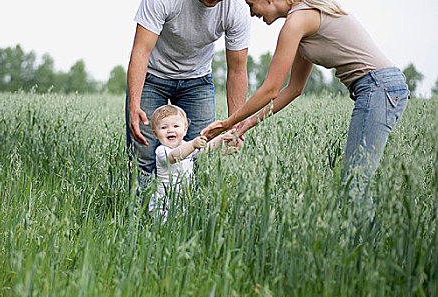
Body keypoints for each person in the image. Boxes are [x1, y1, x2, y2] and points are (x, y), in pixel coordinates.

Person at [202, 0, 410, 203]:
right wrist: (246, 124)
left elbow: (270, 89)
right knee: (354, 182)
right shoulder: (302, 22)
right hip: (378, 88)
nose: (251, 13)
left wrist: (227, 123)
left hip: (378, 88)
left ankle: (365, 239)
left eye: (250, 5)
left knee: (355, 183)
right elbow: (293, 89)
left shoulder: (297, 20)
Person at [126, 0, 251, 190]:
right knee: (144, 157)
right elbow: (141, 51)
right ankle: (141, 217)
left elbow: (237, 70)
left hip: (197, 81)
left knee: (200, 158)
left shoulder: (236, 9)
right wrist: (134, 106)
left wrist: (234, 124)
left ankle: (191, 217)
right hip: (152, 76)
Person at [148, 104, 235, 217]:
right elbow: (174, 156)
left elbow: (206, 148)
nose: (170, 130)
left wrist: (222, 138)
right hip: (165, 203)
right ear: (155, 134)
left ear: (185, 130)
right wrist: (193, 144)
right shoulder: (162, 151)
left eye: (175, 126)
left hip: (183, 200)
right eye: (164, 127)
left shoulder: (187, 146)